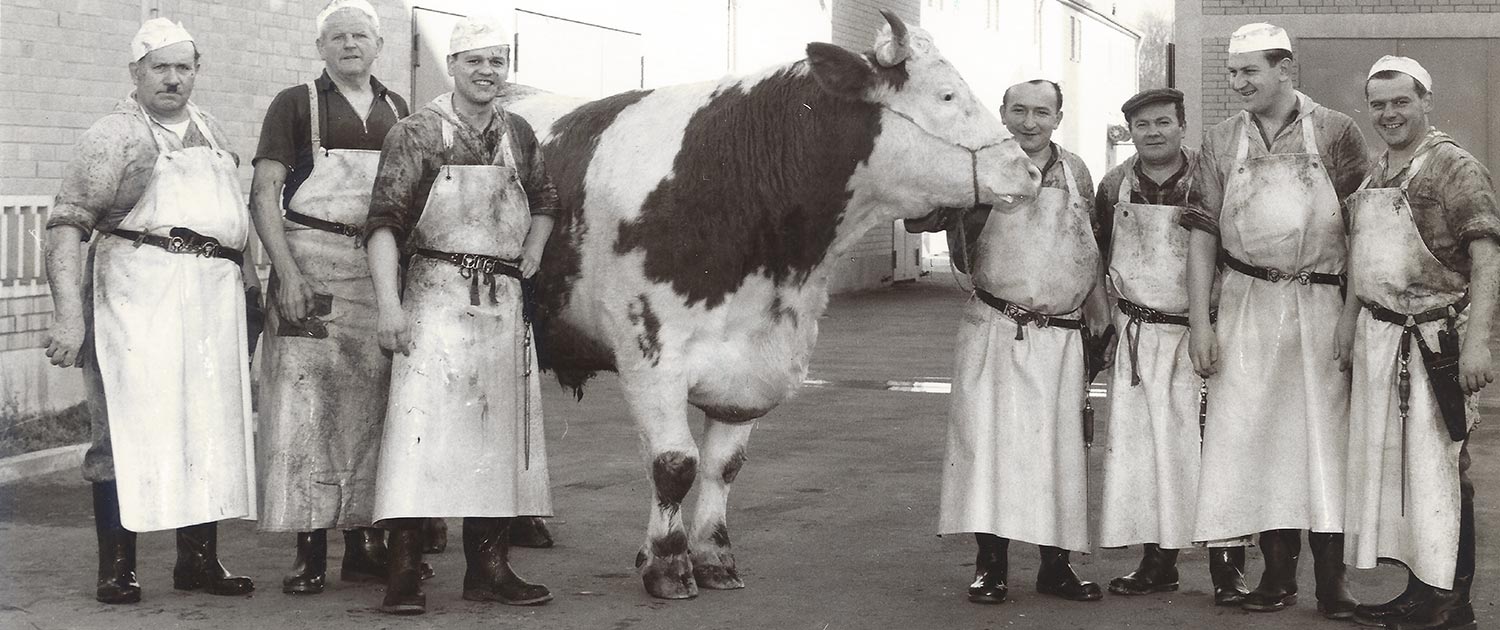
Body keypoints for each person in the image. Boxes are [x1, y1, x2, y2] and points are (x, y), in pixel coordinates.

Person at [42, 18, 259, 604]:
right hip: (137, 297)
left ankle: (199, 562)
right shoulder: (113, 135)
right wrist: (68, 316)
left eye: (182, 67)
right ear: (135, 72)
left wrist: (251, 289)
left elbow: (235, 226)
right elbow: (66, 226)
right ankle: (117, 568)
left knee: (207, 426)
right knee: (124, 430)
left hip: (211, 301)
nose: (172, 79)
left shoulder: (210, 130)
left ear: (196, 71)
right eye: (159, 67)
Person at [364, 14, 558, 615]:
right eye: (475, 61)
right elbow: (383, 225)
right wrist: (390, 309)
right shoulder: (417, 132)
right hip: (434, 297)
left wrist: (533, 249)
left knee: (496, 438)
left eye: (497, 61)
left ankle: (490, 570)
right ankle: (402, 575)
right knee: (417, 438)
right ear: (452, 66)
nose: (487, 72)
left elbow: (547, 200)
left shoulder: (518, 133)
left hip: (501, 305)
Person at [1187, 23, 1369, 618]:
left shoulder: (1337, 132)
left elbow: (1362, 234)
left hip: (1319, 304)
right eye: (1232, 73)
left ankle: (1332, 582)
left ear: (1284, 68)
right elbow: (1201, 240)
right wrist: (1200, 323)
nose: (1238, 83)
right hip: (1246, 303)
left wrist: (1349, 317)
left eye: (1250, 72)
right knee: (1256, 440)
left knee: (1324, 442)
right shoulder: (1219, 140)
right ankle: (1275, 577)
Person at [249, 0, 418, 595]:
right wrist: (287, 275)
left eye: (360, 36)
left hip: (379, 276)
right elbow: (264, 195)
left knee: (374, 409)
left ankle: (364, 545)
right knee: (305, 411)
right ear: (321, 48)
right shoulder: (295, 104)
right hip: (311, 273)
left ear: (378, 45)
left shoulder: (401, 112)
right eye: (338, 37)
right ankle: (309, 548)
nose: (350, 45)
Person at [927, 79, 1108, 605]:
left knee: (1059, 452)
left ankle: (1057, 566)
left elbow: (1089, 241)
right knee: (988, 449)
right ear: (1003, 114)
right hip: (995, 329)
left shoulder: (1075, 171)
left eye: (1042, 112)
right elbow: (929, 217)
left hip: (1062, 336)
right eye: (1020, 111)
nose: (1031, 122)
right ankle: (991, 566)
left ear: (1058, 116)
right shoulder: (981, 167)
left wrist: (1097, 304)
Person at [1339, 56, 1496, 630]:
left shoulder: (1456, 168)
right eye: (1378, 104)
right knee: (1402, 471)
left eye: (1400, 101)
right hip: (1380, 338)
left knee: (1444, 470)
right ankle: (1418, 590)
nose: (1388, 114)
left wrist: (1478, 343)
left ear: (1425, 101)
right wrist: (1347, 322)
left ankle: (1454, 605)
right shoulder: (1375, 173)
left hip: (1437, 341)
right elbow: (1362, 257)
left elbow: (1486, 257)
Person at [1093, 88, 1248, 606]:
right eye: (1142, 125)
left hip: (1201, 334)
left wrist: (1212, 324)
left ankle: (1228, 569)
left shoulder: (1211, 177)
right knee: (1145, 454)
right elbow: (1100, 258)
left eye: (1163, 122)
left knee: (1213, 451)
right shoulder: (1114, 185)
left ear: (1183, 125)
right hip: (1139, 337)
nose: (1153, 132)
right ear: (1130, 132)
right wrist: (1111, 327)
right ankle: (1157, 563)